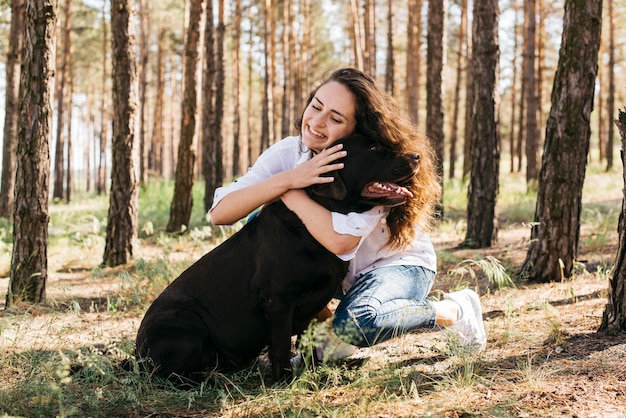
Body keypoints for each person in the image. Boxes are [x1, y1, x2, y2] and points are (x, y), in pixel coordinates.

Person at [210, 67, 486, 365]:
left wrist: (288, 190)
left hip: (397, 267)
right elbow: (221, 213)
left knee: (358, 322)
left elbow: (340, 242)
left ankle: (454, 310)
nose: (316, 121)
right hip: (339, 280)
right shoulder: (292, 153)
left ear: (356, 131)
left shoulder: (372, 169)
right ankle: (328, 339)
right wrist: (289, 177)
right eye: (316, 106)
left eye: (335, 118)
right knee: (262, 226)